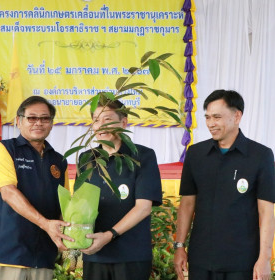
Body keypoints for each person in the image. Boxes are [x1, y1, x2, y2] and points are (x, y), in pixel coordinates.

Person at [174, 90, 275, 280]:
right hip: (201, 260)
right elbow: (187, 205)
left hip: (242, 261)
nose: (211, 123)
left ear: (237, 116)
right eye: (208, 117)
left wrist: (264, 258)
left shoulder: (261, 156)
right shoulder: (195, 154)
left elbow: (266, 212)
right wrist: (180, 247)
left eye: (217, 117)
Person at [0, 96, 73, 280]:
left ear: (51, 123)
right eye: (32, 118)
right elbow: (8, 193)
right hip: (7, 255)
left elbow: (64, 205)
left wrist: (73, 238)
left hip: (43, 258)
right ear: (18, 121)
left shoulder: (59, 160)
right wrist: (46, 224)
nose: (38, 123)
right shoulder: (5, 149)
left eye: (44, 118)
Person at [79, 99, 162, 280]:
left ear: (123, 123)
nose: (101, 126)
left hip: (131, 255)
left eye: (107, 119)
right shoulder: (86, 159)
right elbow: (81, 206)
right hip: (95, 254)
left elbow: (143, 208)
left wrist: (109, 235)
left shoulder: (142, 156)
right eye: (96, 120)